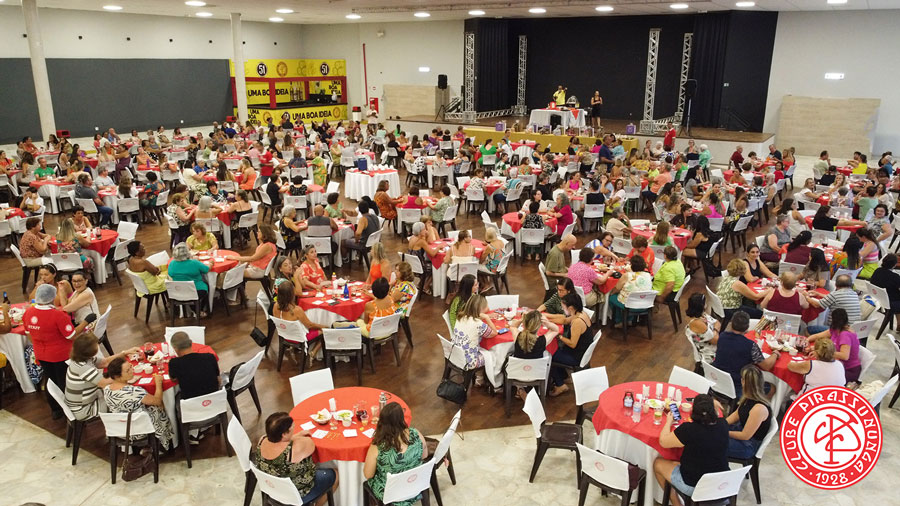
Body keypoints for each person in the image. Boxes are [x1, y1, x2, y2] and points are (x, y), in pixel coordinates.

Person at [26, 284, 95, 419]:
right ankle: (71, 411)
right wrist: (86, 321)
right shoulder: (58, 315)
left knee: (50, 380)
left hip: (41, 353)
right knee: (63, 381)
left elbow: (29, 334)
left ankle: (56, 410)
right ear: (52, 298)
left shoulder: (28, 312)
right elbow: (72, 335)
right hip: (60, 354)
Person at [654, 394, 728, 503]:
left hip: (696, 485)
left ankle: (676, 504)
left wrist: (669, 421)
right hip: (721, 482)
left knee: (658, 463)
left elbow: (663, 441)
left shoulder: (689, 430)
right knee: (676, 463)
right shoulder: (723, 424)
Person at [255, 412, 338, 506]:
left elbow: (280, 443)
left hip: (274, 489)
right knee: (335, 474)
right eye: (292, 428)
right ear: (284, 434)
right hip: (298, 494)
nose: (294, 429)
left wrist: (294, 436)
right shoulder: (295, 449)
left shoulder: (262, 440)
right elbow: (311, 444)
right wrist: (297, 438)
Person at [103, 357, 174, 450]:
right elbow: (157, 401)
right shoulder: (134, 391)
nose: (132, 371)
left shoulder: (107, 389)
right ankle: (164, 444)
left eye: (131, 367)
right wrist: (158, 384)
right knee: (159, 408)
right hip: (138, 429)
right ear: (117, 376)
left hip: (119, 428)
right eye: (128, 370)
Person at [363, 402, 426, 506]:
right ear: (402, 418)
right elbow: (424, 456)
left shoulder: (377, 447)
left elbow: (368, 475)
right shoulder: (416, 433)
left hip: (391, 493)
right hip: (414, 485)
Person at [65, 333, 139, 420]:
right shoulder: (83, 368)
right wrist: (127, 373)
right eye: (96, 344)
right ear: (89, 351)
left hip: (88, 399)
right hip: (84, 409)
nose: (98, 345)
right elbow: (105, 383)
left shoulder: (83, 358)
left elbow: (105, 362)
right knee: (127, 399)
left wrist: (125, 353)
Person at [712, 311, 778, 396]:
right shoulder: (750, 346)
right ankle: (751, 403)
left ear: (731, 324)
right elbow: (767, 366)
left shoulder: (722, 336)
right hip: (737, 385)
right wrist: (775, 354)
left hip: (717, 379)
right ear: (747, 327)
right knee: (772, 388)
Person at [549, 293, 593, 396]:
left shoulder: (577, 322)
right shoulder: (581, 314)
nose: (562, 309)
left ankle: (560, 385)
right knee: (556, 349)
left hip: (576, 356)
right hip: (581, 351)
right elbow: (565, 320)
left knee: (550, 355)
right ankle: (564, 377)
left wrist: (560, 337)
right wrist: (547, 320)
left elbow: (572, 344)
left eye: (564, 307)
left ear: (571, 308)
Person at [723, 366, 772, 459]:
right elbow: (736, 415)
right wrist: (719, 425)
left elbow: (745, 436)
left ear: (743, 382)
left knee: (711, 442)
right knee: (708, 433)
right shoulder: (747, 398)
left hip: (748, 445)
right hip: (740, 431)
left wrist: (722, 431)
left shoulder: (759, 409)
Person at [272, 281, 326, 361]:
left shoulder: (275, 306)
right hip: (298, 337)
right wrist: (324, 326)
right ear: (291, 294)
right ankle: (313, 353)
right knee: (324, 331)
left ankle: (294, 348)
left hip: (285, 335)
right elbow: (310, 325)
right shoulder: (297, 310)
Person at [807, 308, 861, 385]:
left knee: (817, 375)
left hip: (848, 370)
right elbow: (817, 336)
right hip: (837, 364)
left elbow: (844, 356)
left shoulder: (845, 334)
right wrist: (807, 340)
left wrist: (821, 351)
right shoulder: (835, 329)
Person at [167, 331, 220, 401]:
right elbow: (218, 379)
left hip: (191, 404)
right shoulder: (210, 357)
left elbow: (173, 379)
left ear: (175, 348)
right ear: (191, 342)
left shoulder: (174, 363)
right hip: (214, 400)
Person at [451, 294, 496, 372]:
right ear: (481, 309)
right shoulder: (478, 324)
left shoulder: (461, 316)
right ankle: (483, 377)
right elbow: (494, 333)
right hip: (469, 362)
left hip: (455, 355)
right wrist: (487, 318)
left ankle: (480, 376)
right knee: (494, 355)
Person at [168, 242, 211, 315]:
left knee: (190, 290)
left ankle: (194, 309)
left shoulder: (171, 264)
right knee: (206, 285)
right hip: (196, 291)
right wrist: (211, 263)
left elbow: (170, 274)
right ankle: (199, 309)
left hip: (178, 291)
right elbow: (206, 269)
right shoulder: (194, 263)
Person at [870, 254, 900, 328]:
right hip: (889, 303)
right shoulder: (895, 277)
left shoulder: (877, 271)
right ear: (894, 265)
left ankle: (899, 323)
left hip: (877, 298)